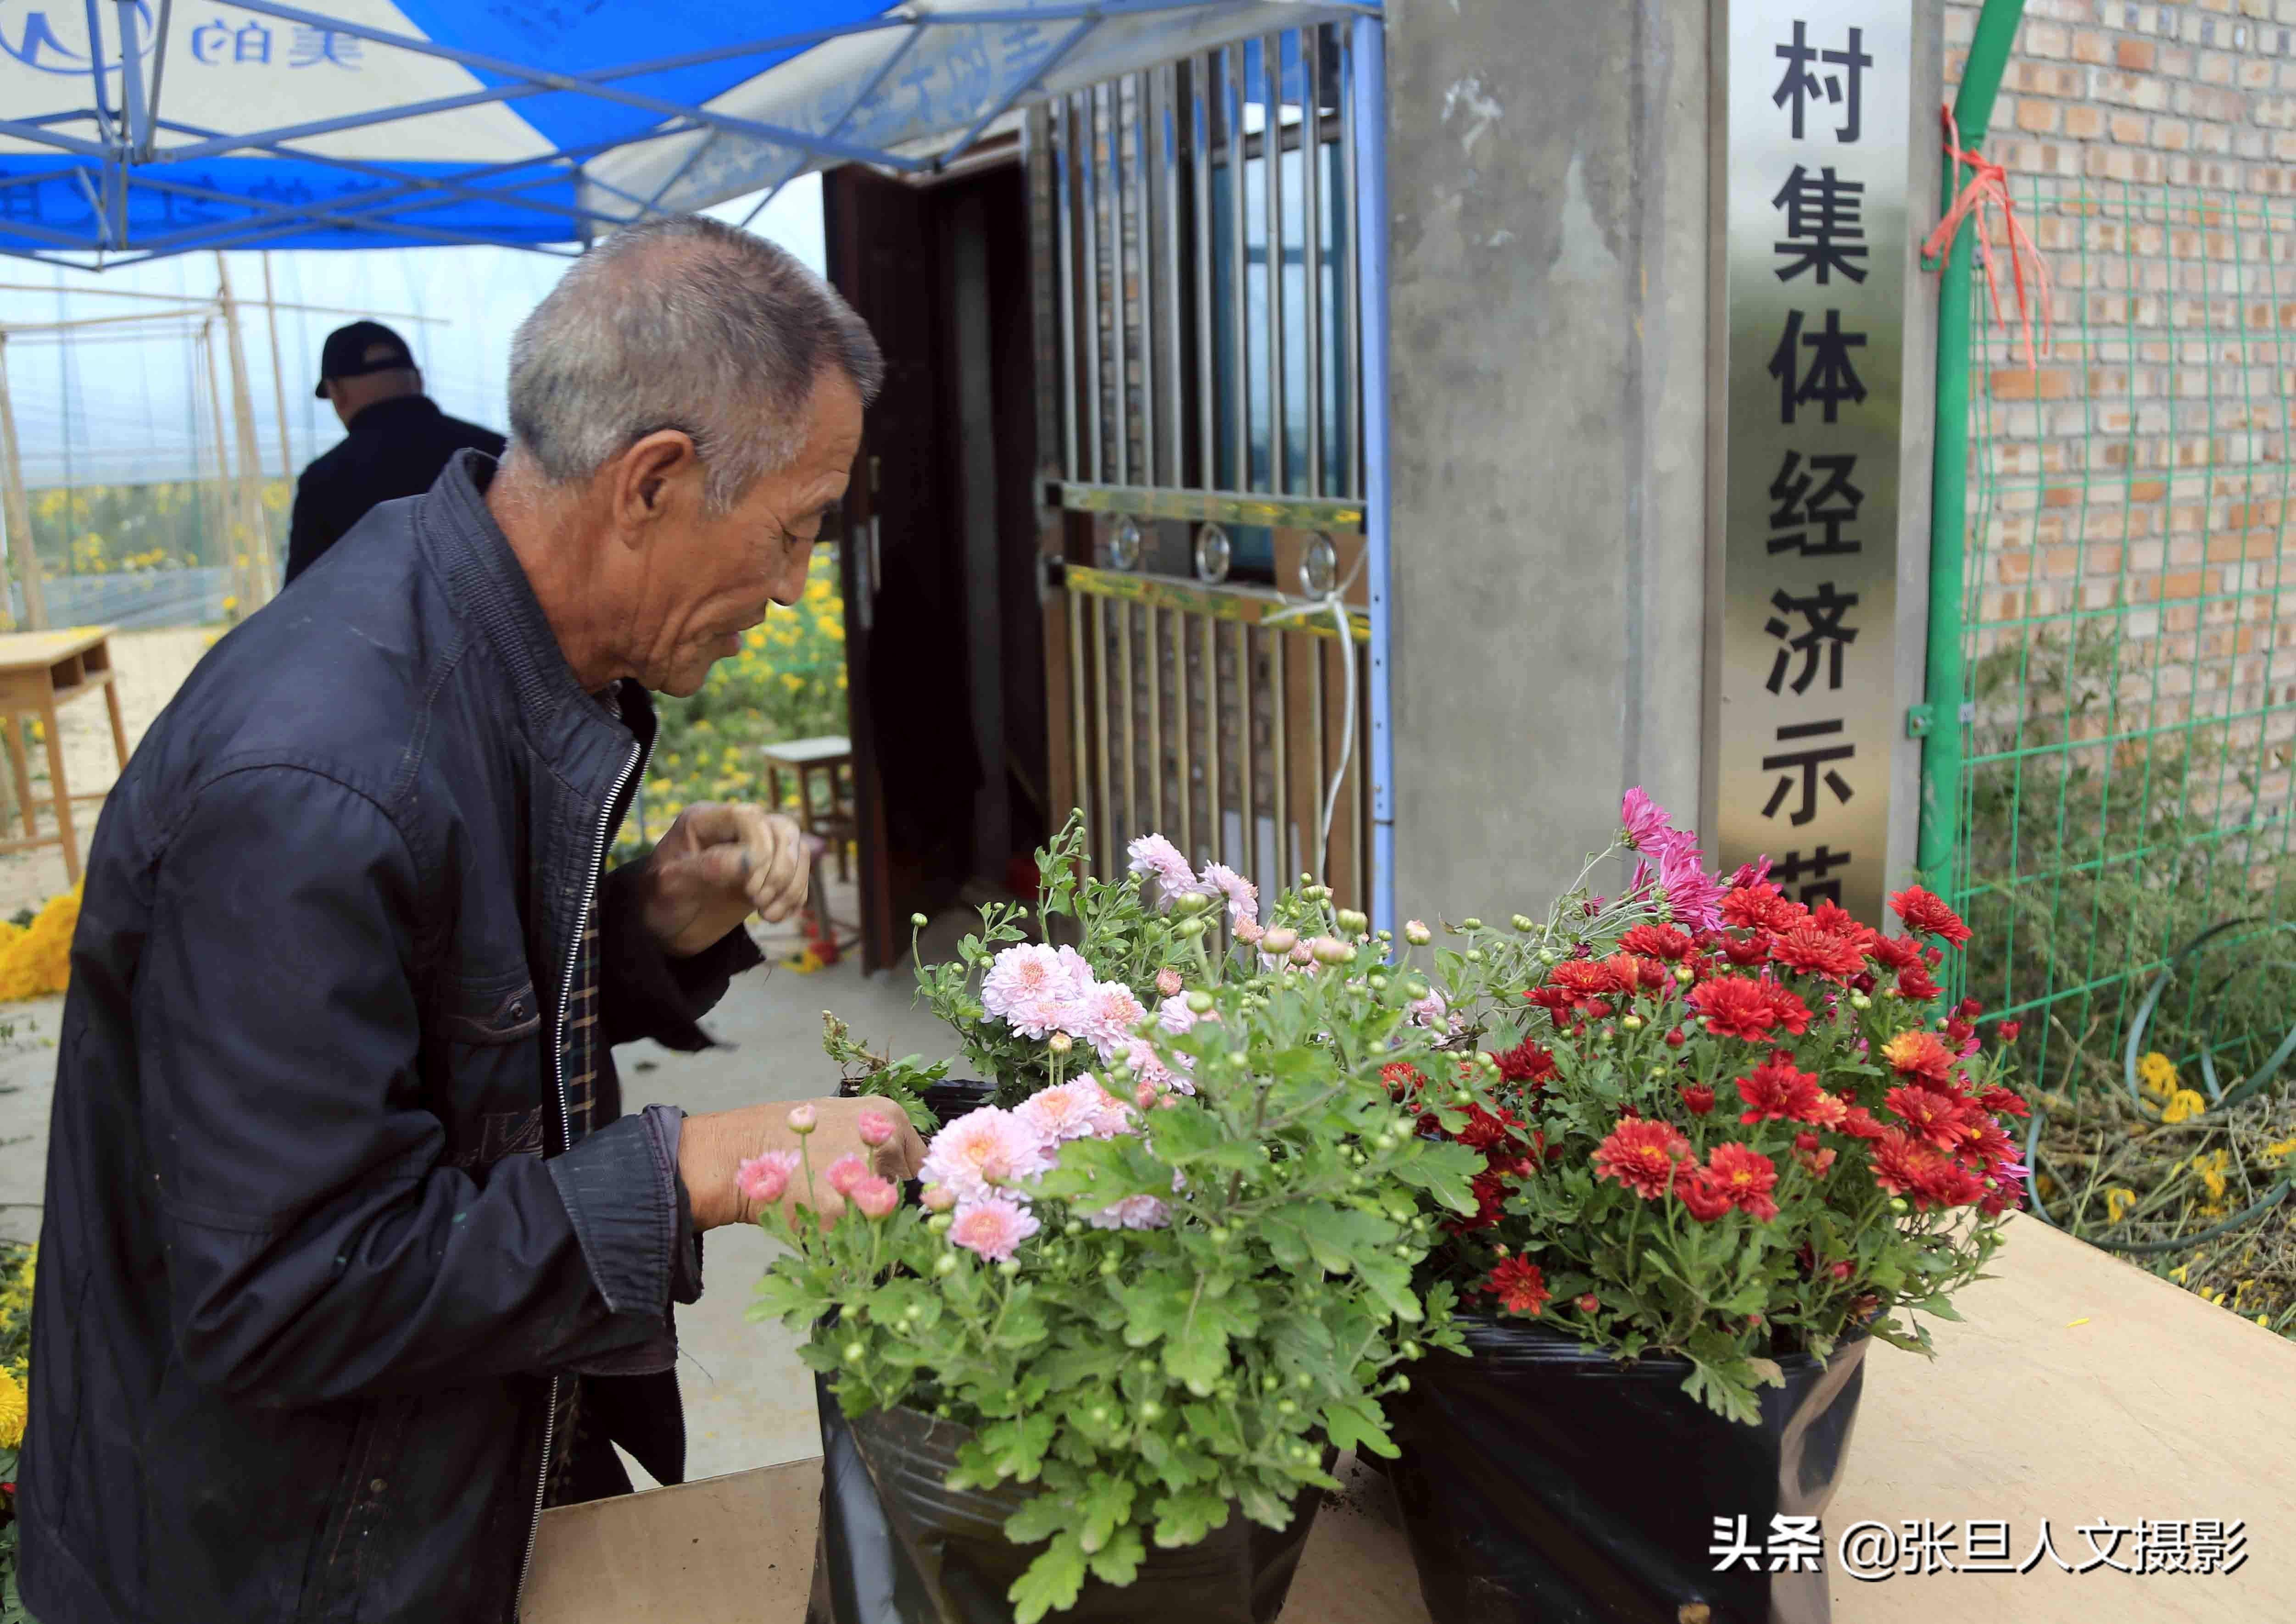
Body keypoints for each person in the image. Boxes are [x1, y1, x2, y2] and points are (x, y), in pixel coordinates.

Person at [18, 217, 920, 1624]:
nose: (797, 586)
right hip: (287, 1555)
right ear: (654, 483)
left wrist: (644, 929)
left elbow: (411, 1012)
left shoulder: (474, 636)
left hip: (449, 1464)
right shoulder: (314, 780)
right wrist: (690, 1173)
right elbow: (289, 1284)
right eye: (794, 528)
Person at [284, 319, 507, 586]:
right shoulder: (497, 450)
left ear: (337, 392)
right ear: (419, 379)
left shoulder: (324, 482)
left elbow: (303, 603)